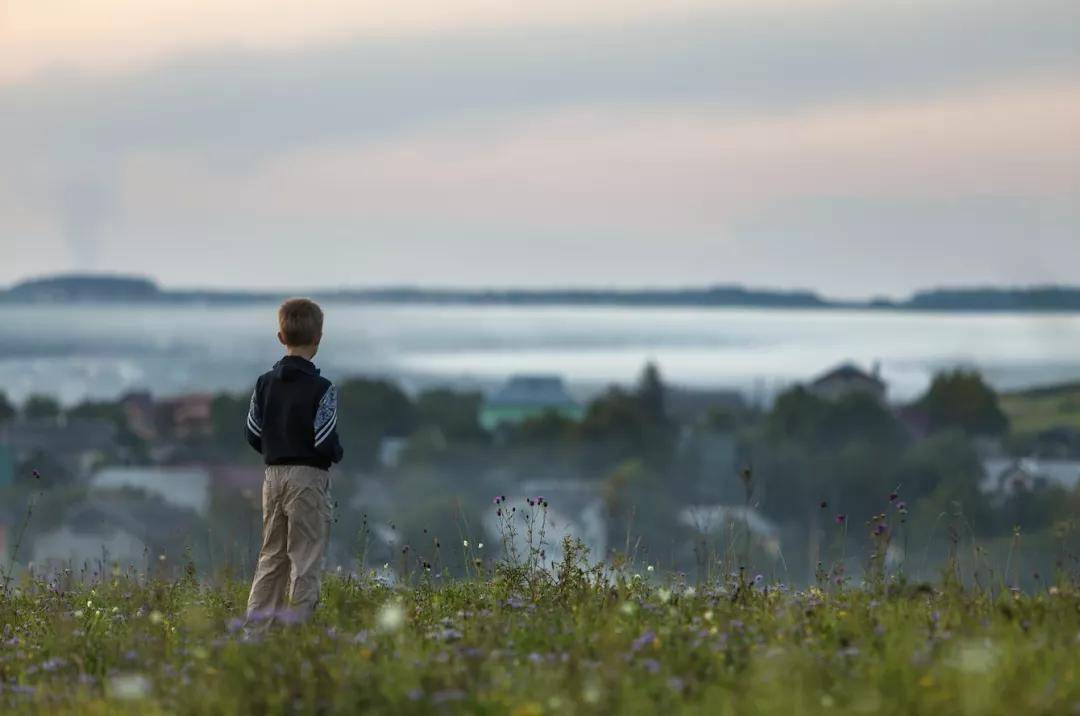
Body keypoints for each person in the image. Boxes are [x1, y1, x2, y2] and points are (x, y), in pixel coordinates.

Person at [244, 298, 343, 626]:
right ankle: (295, 635)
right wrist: (336, 454)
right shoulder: (323, 388)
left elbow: (252, 432)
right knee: (305, 558)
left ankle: (255, 633)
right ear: (319, 338)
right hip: (308, 478)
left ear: (280, 337)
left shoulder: (263, 383)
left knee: (271, 558)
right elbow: (325, 440)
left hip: (272, 476)